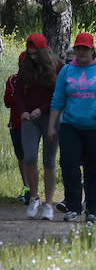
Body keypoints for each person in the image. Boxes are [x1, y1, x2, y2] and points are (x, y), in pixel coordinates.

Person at [47, 33, 96, 223]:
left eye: (85, 49)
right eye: (78, 48)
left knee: (94, 169)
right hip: (71, 125)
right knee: (69, 164)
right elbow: (58, 99)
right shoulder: (67, 71)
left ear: (92, 50)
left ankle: (93, 210)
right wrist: (52, 126)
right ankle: (73, 207)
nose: (81, 52)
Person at [16, 33, 62, 220]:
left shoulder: (57, 65)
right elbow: (18, 92)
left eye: (36, 54)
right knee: (29, 157)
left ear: (43, 51)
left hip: (50, 117)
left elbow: (59, 93)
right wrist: (22, 111)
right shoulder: (26, 66)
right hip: (30, 119)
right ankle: (34, 196)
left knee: (49, 161)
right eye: (30, 53)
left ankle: (48, 204)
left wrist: (41, 109)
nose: (33, 57)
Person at [5, 57, 30, 204]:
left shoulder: (35, 81)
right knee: (21, 157)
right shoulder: (12, 80)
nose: (23, 66)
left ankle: (31, 188)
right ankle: (25, 186)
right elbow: (8, 102)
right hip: (15, 124)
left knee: (30, 156)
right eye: (21, 63)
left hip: (31, 125)